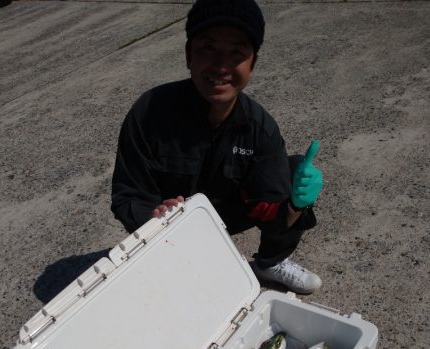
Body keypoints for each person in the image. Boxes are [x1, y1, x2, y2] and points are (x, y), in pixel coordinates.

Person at [111, 0, 323, 294]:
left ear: (253, 63)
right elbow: (127, 194)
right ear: (188, 55)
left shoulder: (261, 129)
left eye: (236, 52)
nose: (221, 66)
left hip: (227, 214)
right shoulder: (149, 112)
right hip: (169, 226)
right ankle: (170, 259)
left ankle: (269, 263)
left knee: (292, 170)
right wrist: (154, 217)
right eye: (208, 48)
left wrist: (296, 206)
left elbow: (274, 214)